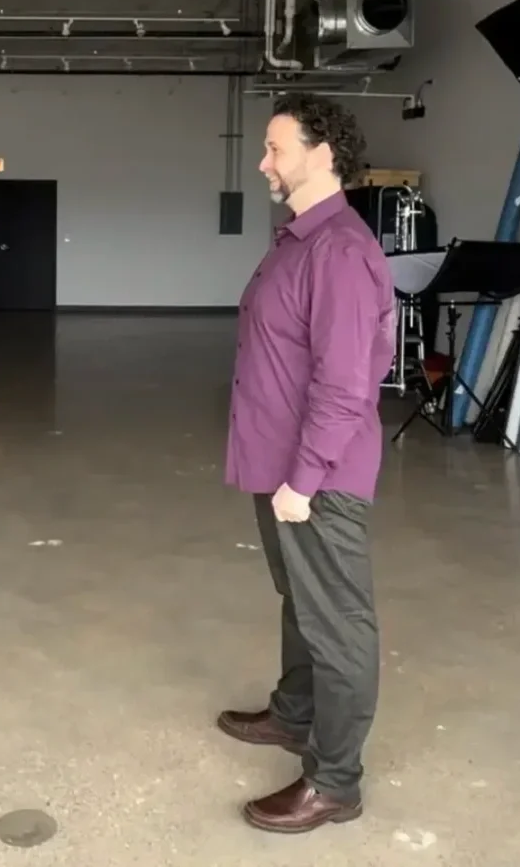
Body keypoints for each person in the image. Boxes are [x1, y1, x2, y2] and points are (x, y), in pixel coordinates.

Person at [216, 92, 394, 834]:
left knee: (338, 623)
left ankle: (334, 782)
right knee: (301, 599)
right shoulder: (297, 239)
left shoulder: (341, 252)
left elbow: (345, 381)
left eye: (275, 148)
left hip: (314, 476)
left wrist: (304, 478)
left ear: (321, 156)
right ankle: (293, 715)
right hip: (280, 464)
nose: (263, 161)